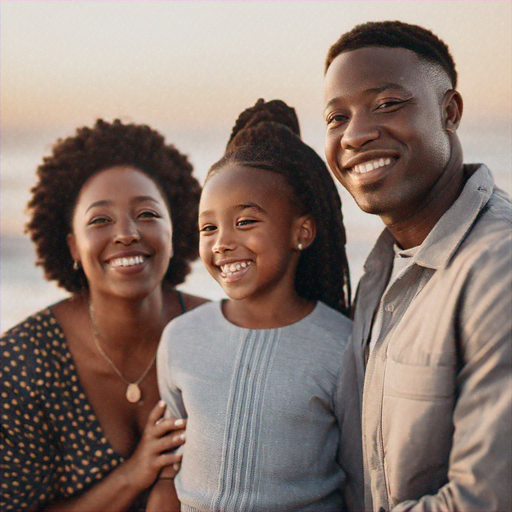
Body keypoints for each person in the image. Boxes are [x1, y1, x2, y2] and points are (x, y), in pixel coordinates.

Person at [323, 20, 511, 511]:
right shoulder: (381, 266)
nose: (355, 134)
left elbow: (485, 500)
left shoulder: (498, 268)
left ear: (449, 112)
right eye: (336, 118)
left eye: (387, 104)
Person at [157, 99, 363, 511]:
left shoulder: (342, 346)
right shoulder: (181, 337)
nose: (221, 242)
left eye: (246, 221)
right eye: (208, 227)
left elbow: (362, 480)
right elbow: (168, 477)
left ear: (301, 232)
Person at [0, 119, 207, 511]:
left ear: (174, 230)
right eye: (100, 219)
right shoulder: (19, 366)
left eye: (147, 214)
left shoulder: (223, 335)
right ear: (74, 247)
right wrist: (132, 475)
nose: (126, 233)